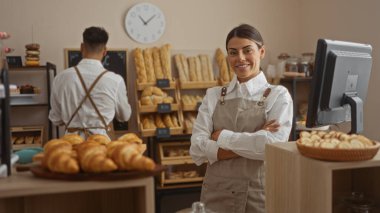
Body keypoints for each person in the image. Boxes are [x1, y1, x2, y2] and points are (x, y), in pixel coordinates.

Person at [190, 24, 293, 213]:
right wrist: (255, 137)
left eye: (247, 51)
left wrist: (221, 137)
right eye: (233, 52)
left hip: (257, 196)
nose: (240, 58)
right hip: (215, 195)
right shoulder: (213, 95)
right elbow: (196, 149)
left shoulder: (278, 95)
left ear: (261, 52)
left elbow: (271, 147)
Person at [49, 26, 131, 139]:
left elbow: (56, 119)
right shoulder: (116, 80)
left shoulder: (61, 78)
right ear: (105, 51)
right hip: (101, 144)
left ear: (82, 47)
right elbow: (124, 116)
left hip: (72, 144)